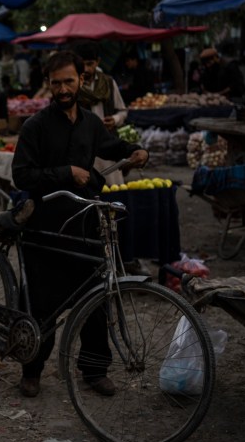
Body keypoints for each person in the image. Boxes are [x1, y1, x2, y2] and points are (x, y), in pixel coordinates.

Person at [11, 51, 148, 399]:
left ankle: (94, 370)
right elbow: (21, 175)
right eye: (56, 83)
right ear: (49, 84)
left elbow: (112, 145)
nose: (62, 89)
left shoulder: (90, 122)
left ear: (81, 81)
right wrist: (65, 172)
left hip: (85, 223)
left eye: (68, 81)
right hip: (46, 228)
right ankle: (33, 369)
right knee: (43, 305)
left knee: (95, 300)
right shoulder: (35, 126)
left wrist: (135, 150)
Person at [74, 42, 129, 186]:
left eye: (90, 64)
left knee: (113, 191)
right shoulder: (71, 86)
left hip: (108, 147)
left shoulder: (109, 83)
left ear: (98, 61)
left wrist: (115, 120)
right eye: (82, 64)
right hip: (82, 150)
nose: (86, 69)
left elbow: (122, 111)